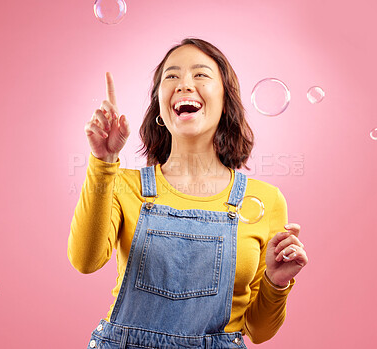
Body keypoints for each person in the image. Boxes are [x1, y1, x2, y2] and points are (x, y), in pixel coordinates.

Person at [68, 37, 308, 349]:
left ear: (225, 102)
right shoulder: (122, 184)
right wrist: (104, 162)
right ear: (160, 107)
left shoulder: (267, 201)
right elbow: (85, 261)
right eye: (171, 76)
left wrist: (277, 282)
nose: (184, 84)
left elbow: (258, 331)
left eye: (200, 74)